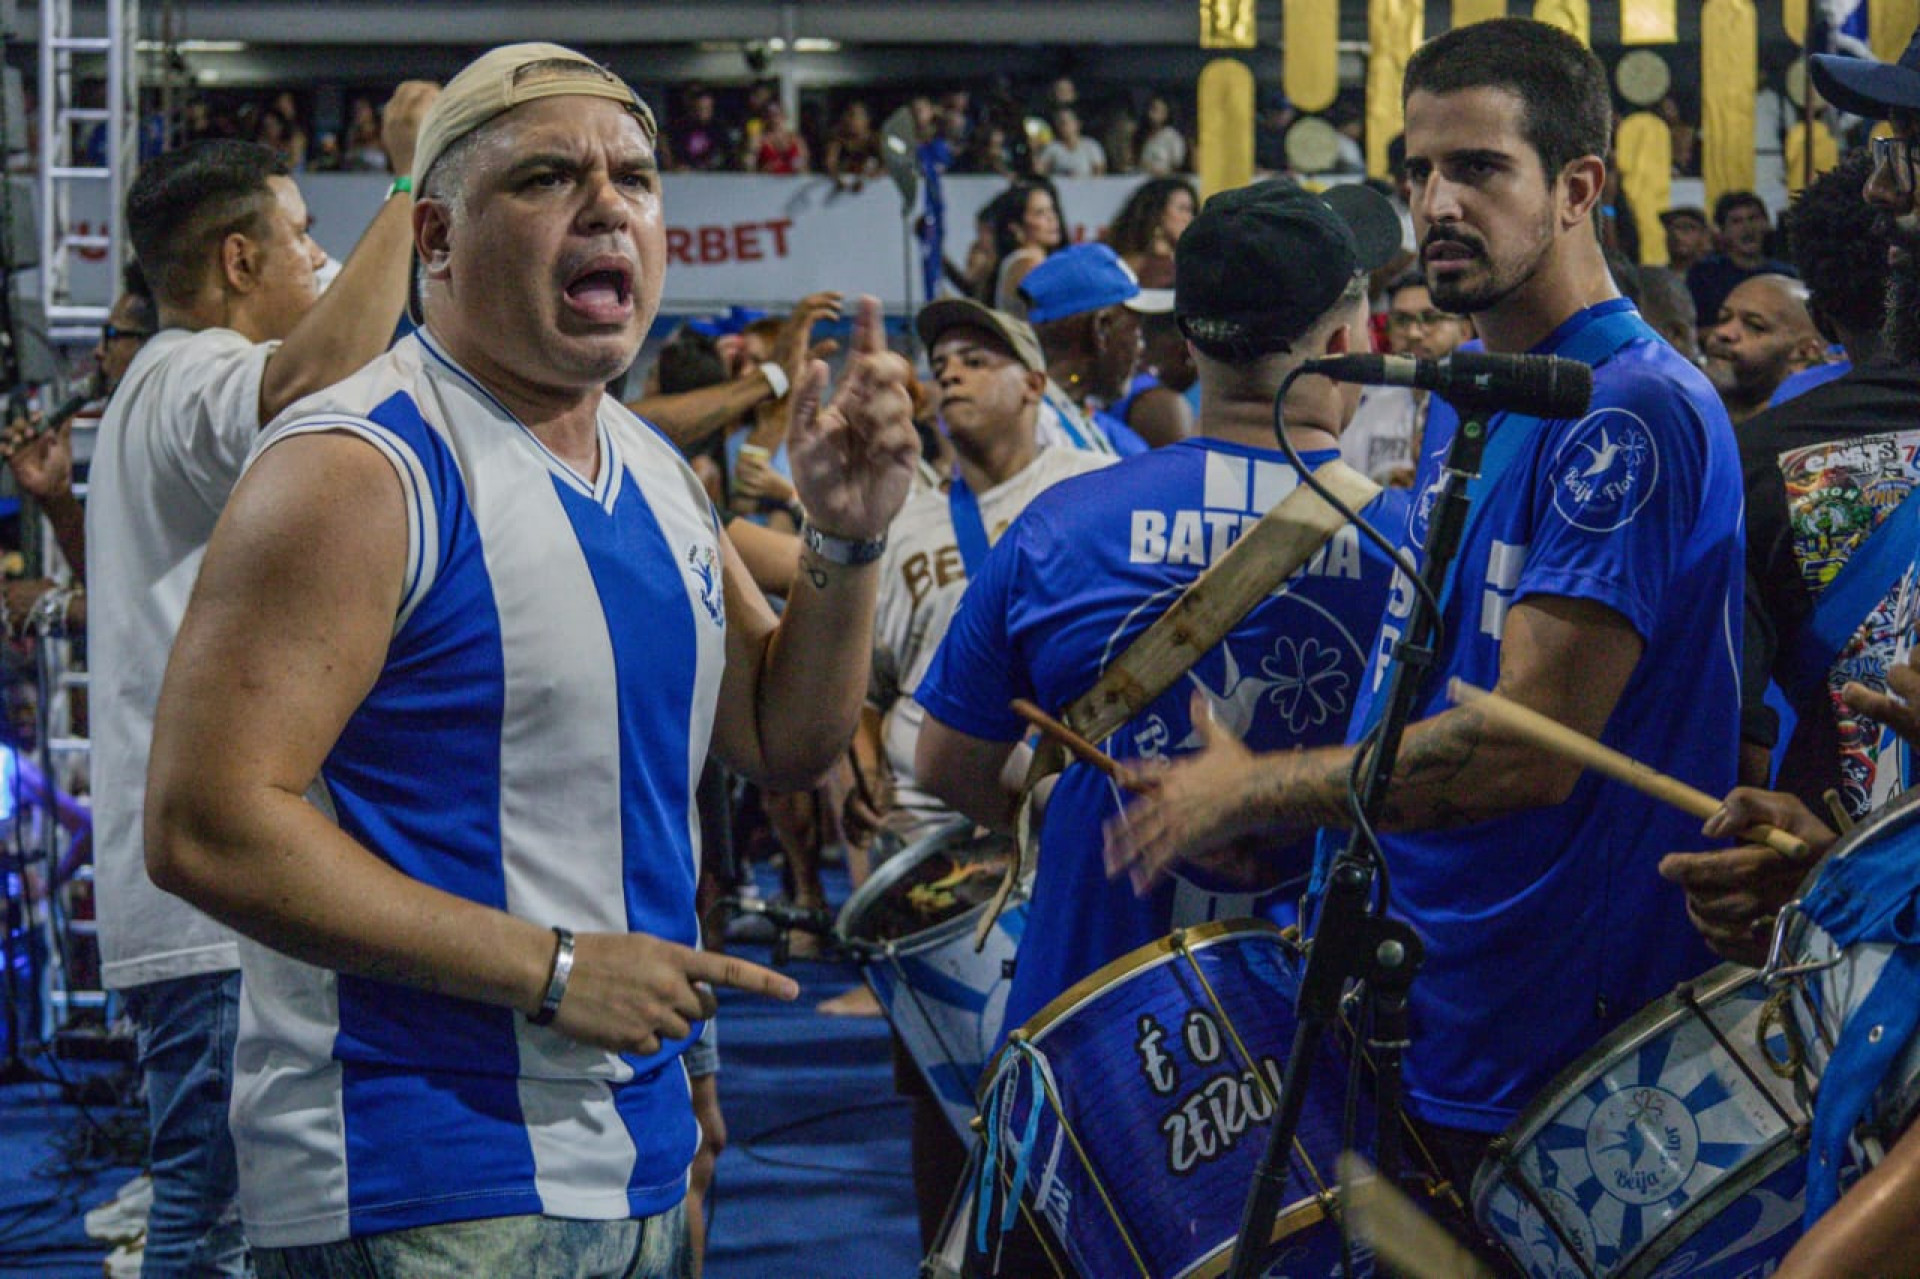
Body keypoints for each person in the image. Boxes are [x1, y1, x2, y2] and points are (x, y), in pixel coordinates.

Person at [142, 43, 916, 1276]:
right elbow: (205, 823)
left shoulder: (658, 473)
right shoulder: (357, 465)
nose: (610, 204)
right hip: (424, 1176)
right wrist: (555, 974)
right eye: (551, 176)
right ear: (436, 238)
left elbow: (783, 735)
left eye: (637, 178)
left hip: (637, 1142)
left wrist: (847, 535)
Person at [1108, 18, 1742, 1192]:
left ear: (1578, 187)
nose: (1436, 202)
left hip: (1553, 1051)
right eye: (1418, 171)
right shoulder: (1476, 396)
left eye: (1479, 169)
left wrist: (1264, 787)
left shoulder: (1626, 412)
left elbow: (1525, 751)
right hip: (1436, 1010)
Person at [915, 180, 1406, 1172]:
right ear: (1347, 334)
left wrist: (1069, 797)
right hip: (1322, 1045)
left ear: (1184, 339)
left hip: (1091, 1029)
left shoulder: (1059, 524)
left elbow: (950, 763)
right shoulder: (1413, 547)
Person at [87, 84, 435, 1279]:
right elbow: (294, 382)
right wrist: (406, 181)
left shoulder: (161, 393)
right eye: (301, 235)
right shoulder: (190, 372)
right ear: (239, 259)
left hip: (202, 903)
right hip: (208, 912)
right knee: (212, 1229)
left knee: (233, 1219)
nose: (326, 258)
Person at [860, 297, 1112, 1246]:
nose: (951, 371)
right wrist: (859, 750)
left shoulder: (1095, 489)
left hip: (1057, 852)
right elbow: (877, 683)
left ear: (1037, 384)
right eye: (943, 359)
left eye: (979, 355)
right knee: (946, 1111)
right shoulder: (904, 518)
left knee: (1076, 1106)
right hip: (935, 871)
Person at [1018, 241, 1165, 456]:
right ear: (1102, 330)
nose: (1141, 347)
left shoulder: (1089, 422)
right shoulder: (1032, 430)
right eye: (1136, 329)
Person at [1340, 269, 1473, 486]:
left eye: (1430, 318)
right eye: (1401, 320)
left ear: (1465, 331)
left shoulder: (1483, 410)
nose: (1413, 333)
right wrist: (1380, 490)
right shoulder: (1362, 404)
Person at [1702, 273, 1827, 422]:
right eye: (1724, 318)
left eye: (1755, 326)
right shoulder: (1681, 415)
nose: (1723, 332)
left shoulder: (1810, 434)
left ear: (1805, 352)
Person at [1686, 190, 1797, 344]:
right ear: (1722, 232)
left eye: (1753, 218)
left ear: (1766, 224)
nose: (1747, 228)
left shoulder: (1786, 276)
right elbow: (1690, 331)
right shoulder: (1704, 274)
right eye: (1736, 221)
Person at [989, 179, 1064, 316]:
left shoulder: (1027, 260)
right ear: (1016, 228)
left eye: (1051, 209)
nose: (1052, 218)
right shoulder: (1027, 264)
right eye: (1039, 213)